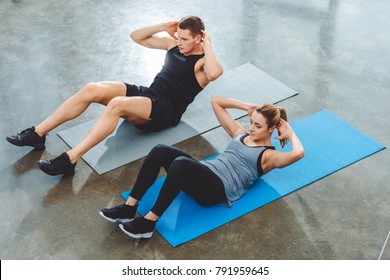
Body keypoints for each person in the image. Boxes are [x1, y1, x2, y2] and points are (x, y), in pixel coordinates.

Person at [5, 16, 223, 176]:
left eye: (185, 39)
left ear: (198, 38)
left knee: (116, 105)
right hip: (149, 94)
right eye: (179, 36)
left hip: (165, 110)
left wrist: (209, 45)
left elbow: (215, 73)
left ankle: (70, 159)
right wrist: (163, 26)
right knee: (92, 89)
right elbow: (136, 37)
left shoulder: (203, 63)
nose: (180, 41)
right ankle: (38, 133)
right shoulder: (173, 45)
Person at [99, 96, 305, 239]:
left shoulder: (268, 156)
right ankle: (129, 207)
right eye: (251, 122)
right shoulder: (241, 133)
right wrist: (247, 107)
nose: (251, 128)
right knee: (160, 149)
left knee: (181, 163)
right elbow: (216, 102)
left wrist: (290, 132)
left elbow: (298, 153)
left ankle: (148, 223)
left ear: (271, 129)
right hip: (202, 173)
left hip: (216, 190)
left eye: (258, 126)